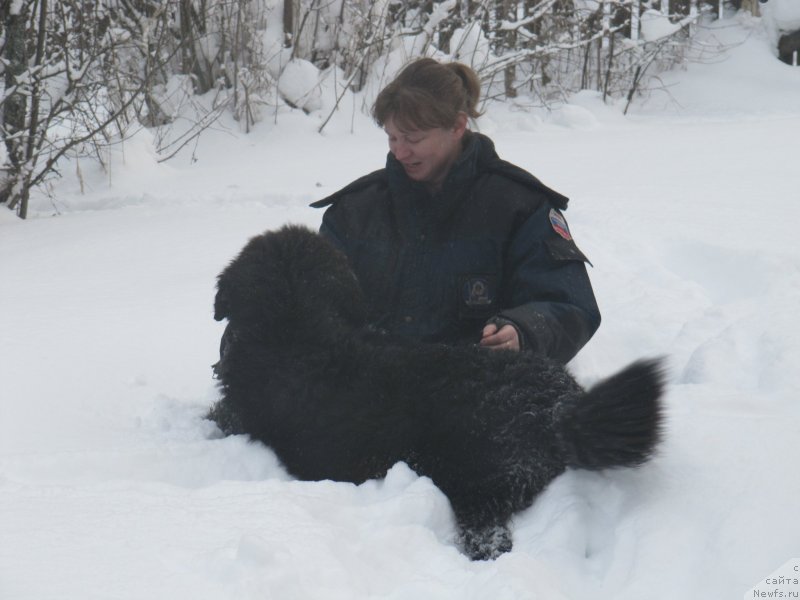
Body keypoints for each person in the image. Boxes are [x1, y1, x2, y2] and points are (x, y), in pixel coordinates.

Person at [310, 58, 600, 363]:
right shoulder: (354, 210)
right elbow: (312, 301)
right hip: (372, 393)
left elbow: (568, 303)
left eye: (414, 138)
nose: (399, 151)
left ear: (457, 126)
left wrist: (524, 331)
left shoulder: (520, 205)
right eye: (392, 137)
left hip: (480, 394)